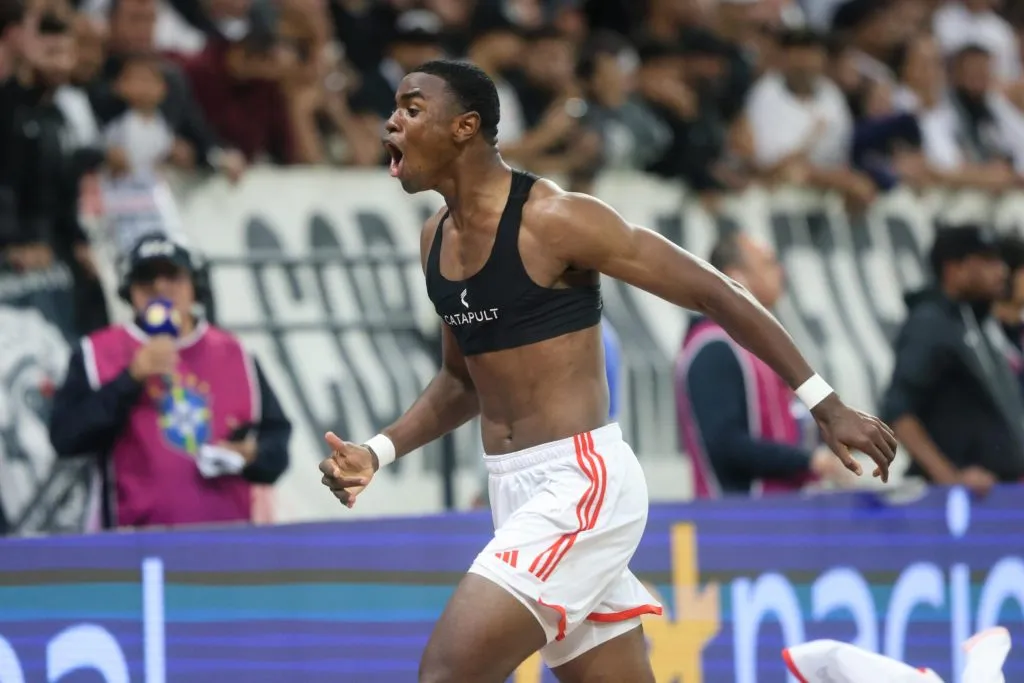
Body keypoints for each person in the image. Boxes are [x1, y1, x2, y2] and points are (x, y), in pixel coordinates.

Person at [318, 59, 897, 683]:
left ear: (465, 126)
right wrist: (377, 452)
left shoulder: (554, 218)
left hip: (580, 484)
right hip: (513, 490)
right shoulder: (435, 238)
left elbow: (716, 291)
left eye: (410, 109)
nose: (391, 123)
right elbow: (461, 382)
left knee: (446, 673)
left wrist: (825, 403)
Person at [50, 233, 291, 528]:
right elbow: (66, 436)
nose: (160, 287)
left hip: (229, 538)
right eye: (146, 278)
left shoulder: (236, 354)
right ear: (129, 291)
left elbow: (277, 446)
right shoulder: (96, 353)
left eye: (172, 276)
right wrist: (130, 378)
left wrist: (251, 454)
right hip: (134, 540)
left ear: (194, 286)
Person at [676, 232, 851, 498]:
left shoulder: (757, 344)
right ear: (736, 277)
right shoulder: (713, 347)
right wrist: (809, 461)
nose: (781, 272)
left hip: (776, 511)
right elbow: (725, 444)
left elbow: (782, 425)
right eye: (769, 263)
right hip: (736, 516)